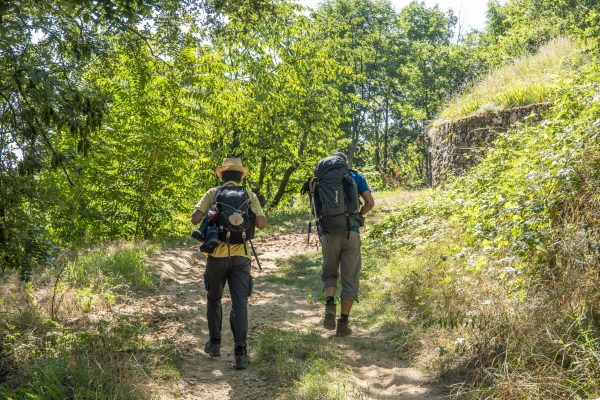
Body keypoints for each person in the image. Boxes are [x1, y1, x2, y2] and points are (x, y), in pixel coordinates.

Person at [191, 157, 266, 370]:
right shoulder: (249, 195)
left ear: (222, 176)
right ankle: (240, 352)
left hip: (216, 256)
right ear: (241, 176)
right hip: (241, 256)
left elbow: (195, 219)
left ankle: (214, 345)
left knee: (213, 299)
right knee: (239, 304)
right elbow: (261, 224)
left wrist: (210, 214)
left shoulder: (213, 193)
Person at [318, 152, 374, 337]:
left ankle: (329, 304)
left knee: (330, 273)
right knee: (350, 277)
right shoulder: (356, 176)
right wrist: (358, 216)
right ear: (345, 164)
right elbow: (370, 203)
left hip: (328, 233)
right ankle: (343, 323)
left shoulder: (321, 178)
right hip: (351, 232)